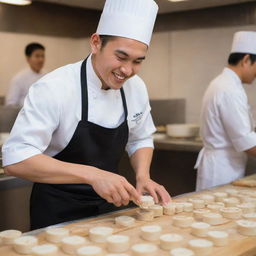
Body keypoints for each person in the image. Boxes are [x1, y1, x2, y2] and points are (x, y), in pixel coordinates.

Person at [2, 0, 171, 230]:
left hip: (109, 208)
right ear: (96, 43)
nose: (128, 70)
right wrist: (92, 175)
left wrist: (142, 175)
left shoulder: (136, 87)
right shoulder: (55, 87)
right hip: (57, 211)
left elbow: (140, 137)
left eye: (138, 61)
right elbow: (16, 158)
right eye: (121, 57)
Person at [195, 31, 256, 191]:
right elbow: (246, 141)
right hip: (221, 171)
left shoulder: (225, 84)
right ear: (246, 60)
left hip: (225, 166)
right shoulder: (229, 89)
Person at [5, 42, 45, 107]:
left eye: (42, 56)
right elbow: (10, 104)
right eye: (37, 56)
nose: (41, 60)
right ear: (28, 59)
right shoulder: (19, 78)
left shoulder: (47, 76)